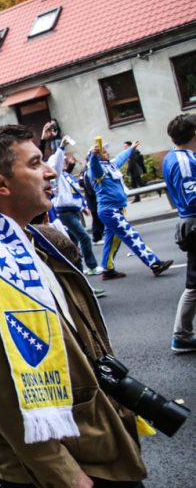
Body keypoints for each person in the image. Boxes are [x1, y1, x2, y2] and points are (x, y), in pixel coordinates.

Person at [0, 125, 173, 488]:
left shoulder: (35, 243)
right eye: (34, 164)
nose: (50, 171)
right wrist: (60, 471)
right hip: (44, 469)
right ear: (0, 184)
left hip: (90, 439)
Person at [88, 140, 172, 279]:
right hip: (110, 211)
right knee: (131, 236)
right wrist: (93, 155)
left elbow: (121, 157)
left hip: (115, 210)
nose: (107, 152)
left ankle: (107, 270)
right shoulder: (96, 169)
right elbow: (94, 165)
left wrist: (131, 149)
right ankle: (155, 263)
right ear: (97, 155)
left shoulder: (111, 165)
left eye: (106, 150)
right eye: (103, 151)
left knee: (112, 240)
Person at [42, 124, 101, 275]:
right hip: (64, 212)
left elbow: (76, 193)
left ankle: (74, 270)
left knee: (72, 242)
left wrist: (83, 207)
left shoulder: (67, 176)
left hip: (74, 211)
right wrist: (61, 147)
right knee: (85, 238)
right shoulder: (58, 175)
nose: (64, 162)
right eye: (62, 161)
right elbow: (55, 163)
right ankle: (92, 266)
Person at [163, 113, 196, 353]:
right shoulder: (184, 160)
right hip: (194, 221)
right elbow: (191, 197)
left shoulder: (175, 157)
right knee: (194, 284)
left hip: (189, 222)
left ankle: (182, 335)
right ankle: (181, 335)